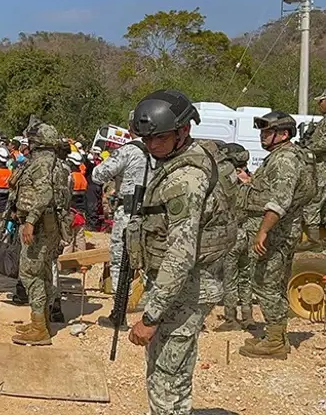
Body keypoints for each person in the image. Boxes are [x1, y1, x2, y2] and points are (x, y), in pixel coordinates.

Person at [126, 89, 234, 414]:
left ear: (183, 131)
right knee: (167, 372)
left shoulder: (186, 179)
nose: (152, 145)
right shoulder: (182, 158)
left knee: (166, 381)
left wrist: (151, 317)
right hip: (182, 286)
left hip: (185, 289)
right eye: (147, 139)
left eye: (159, 138)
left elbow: (180, 255)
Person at [238, 111, 316, 360]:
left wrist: (263, 231)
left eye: (268, 132)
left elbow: (280, 201)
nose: (263, 136)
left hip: (276, 233)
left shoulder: (284, 160)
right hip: (279, 231)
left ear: (283, 134)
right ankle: (277, 336)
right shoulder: (282, 156)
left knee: (265, 284)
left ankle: (274, 342)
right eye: (262, 131)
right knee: (275, 284)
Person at [9, 116, 67, 346]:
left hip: (40, 227)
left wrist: (30, 221)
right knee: (42, 273)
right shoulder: (56, 163)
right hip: (50, 226)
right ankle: (41, 321)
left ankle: (39, 328)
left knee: (30, 273)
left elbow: (45, 195)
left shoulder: (41, 163)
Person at [91, 129, 149, 330]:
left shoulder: (129, 150)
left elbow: (98, 174)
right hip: (153, 213)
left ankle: (119, 312)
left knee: (120, 260)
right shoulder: (161, 150)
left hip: (129, 212)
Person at [212, 142, 256, 332]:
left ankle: (231, 318)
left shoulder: (226, 181)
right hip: (250, 234)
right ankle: (248, 316)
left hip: (233, 236)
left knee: (230, 279)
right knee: (246, 277)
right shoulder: (251, 180)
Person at [299, 90, 326, 251]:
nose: (319, 104)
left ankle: (314, 240)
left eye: (321, 101)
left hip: (322, 170)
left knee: (313, 202)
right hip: (320, 167)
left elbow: (322, 144)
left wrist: (306, 149)